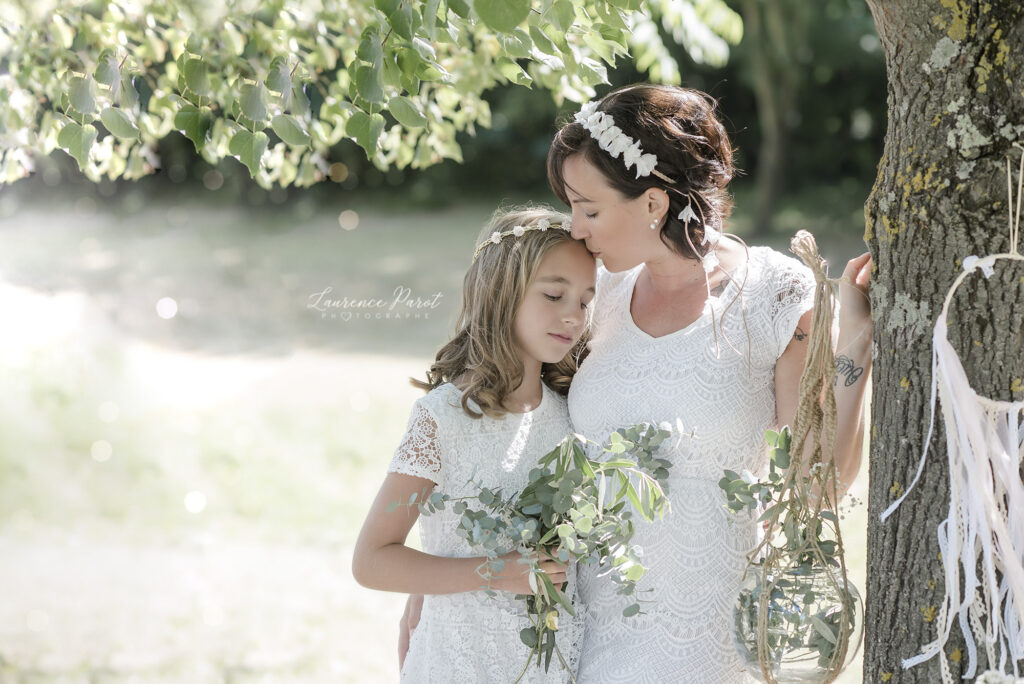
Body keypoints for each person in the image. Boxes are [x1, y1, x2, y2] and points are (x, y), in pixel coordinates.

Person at [401, 84, 874, 682]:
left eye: (589, 209)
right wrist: (441, 579)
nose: (575, 229)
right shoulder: (594, 295)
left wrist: (854, 348)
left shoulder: (774, 294)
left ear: (653, 204)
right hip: (582, 619)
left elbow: (815, 484)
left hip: (708, 629)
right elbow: (512, 422)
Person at [352, 206, 595, 682]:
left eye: (586, 302)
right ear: (503, 294)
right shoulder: (442, 419)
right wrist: (499, 571)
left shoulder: (574, 412)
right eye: (554, 294)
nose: (573, 316)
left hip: (553, 665)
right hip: (461, 663)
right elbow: (371, 560)